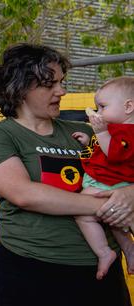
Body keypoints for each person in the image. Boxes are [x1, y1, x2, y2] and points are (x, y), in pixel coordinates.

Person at [0, 43, 134, 306]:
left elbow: (123, 170)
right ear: (20, 87)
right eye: (51, 83)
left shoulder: (83, 132)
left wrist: (130, 194)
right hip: (33, 273)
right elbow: (24, 194)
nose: (62, 90)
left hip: (98, 276)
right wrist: (104, 205)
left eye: (62, 81)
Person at [71, 76, 134, 279]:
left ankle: (104, 252)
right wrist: (90, 141)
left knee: (82, 212)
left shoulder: (128, 132)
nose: (98, 113)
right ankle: (128, 249)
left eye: (102, 107)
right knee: (115, 222)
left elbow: (115, 153)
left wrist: (101, 132)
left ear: (128, 107)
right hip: (104, 181)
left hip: (112, 185)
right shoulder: (112, 130)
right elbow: (102, 153)